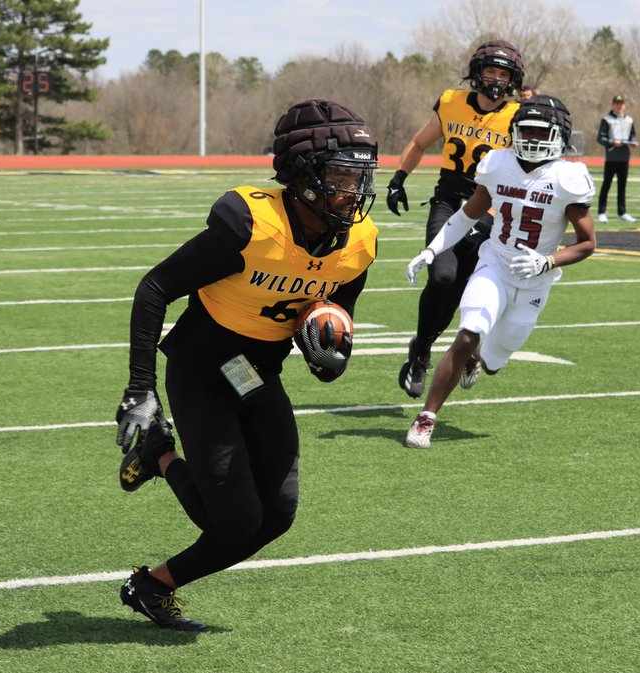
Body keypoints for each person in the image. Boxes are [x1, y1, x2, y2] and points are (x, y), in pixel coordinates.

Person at [112, 99, 379, 631]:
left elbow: (336, 316)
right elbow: (154, 288)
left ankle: (152, 584)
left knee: (276, 514)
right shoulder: (249, 223)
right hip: (202, 367)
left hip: (254, 372)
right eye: (340, 176)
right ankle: (159, 451)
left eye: (359, 176)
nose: (354, 190)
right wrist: (141, 390)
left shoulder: (359, 243)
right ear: (303, 177)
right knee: (234, 522)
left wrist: (329, 351)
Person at [402, 94, 596, 449]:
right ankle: (426, 417)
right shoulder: (498, 164)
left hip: (535, 278)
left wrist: (548, 261)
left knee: (493, 360)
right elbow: (467, 215)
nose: (532, 139)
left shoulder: (568, 177)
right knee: (467, 334)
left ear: (558, 135)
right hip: (494, 263)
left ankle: (480, 359)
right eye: (527, 131)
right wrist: (431, 249)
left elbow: (587, 243)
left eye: (541, 132)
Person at [385, 40, 524, 399]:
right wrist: (399, 178)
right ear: (477, 72)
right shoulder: (451, 102)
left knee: (461, 290)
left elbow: (519, 177)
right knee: (442, 275)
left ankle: (444, 347)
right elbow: (419, 143)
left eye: (502, 73)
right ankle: (419, 354)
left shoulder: (516, 117)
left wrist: (492, 216)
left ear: (512, 79)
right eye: (490, 70)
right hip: (448, 200)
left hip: (489, 208)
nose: (495, 78)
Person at [595, 94, 638, 223]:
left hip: (624, 157)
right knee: (606, 184)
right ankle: (602, 212)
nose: (619, 106)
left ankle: (622, 212)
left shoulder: (629, 120)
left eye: (621, 103)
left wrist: (634, 142)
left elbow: (632, 136)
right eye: (617, 103)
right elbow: (600, 138)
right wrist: (612, 142)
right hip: (611, 157)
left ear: (624, 105)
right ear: (613, 105)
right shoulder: (607, 119)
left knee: (622, 186)